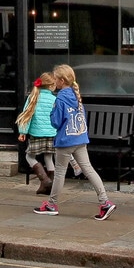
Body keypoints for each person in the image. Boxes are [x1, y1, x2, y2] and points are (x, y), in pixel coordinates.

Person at [40, 65, 115, 220]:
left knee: (60, 172)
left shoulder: (60, 98)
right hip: (80, 139)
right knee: (88, 169)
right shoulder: (76, 95)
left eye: (55, 79)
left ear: (61, 80)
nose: (54, 81)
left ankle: (51, 205)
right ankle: (105, 202)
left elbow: (55, 122)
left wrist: (52, 112)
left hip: (65, 141)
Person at [18, 71, 58, 195]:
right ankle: (50, 186)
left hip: (37, 133)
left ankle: (45, 180)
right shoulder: (54, 99)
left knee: (29, 157)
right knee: (48, 158)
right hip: (52, 133)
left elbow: (26, 116)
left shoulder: (33, 97)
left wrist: (22, 132)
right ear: (51, 86)